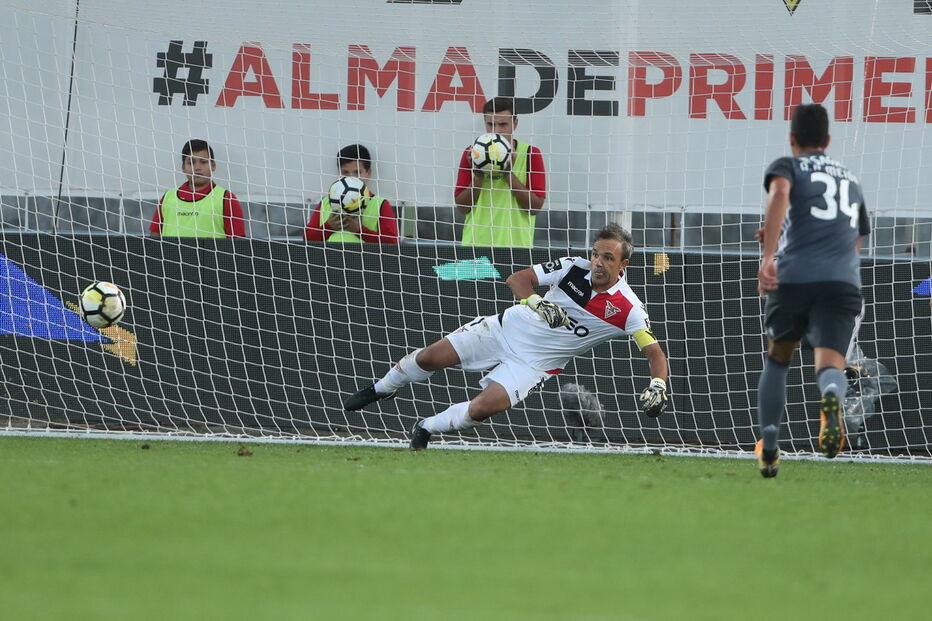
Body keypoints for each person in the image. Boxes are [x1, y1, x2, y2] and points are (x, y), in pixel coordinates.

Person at [343, 224, 670, 450]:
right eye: (596, 254)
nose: (597, 262)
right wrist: (536, 302)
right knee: (430, 357)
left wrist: (658, 384)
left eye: (608, 258)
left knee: (483, 409)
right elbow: (517, 279)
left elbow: (654, 352)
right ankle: (381, 389)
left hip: (533, 363)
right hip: (503, 330)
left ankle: (426, 427)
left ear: (623, 264)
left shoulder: (628, 308)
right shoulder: (572, 267)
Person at [755, 103, 870, 478]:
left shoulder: (787, 167)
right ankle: (833, 396)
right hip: (841, 282)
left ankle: (769, 447)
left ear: (792, 139)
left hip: (794, 278)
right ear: (828, 140)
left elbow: (781, 194)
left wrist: (769, 253)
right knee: (829, 366)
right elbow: (855, 241)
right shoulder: (849, 179)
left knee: (778, 357)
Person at [454, 97, 546, 248]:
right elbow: (462, 208)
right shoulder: (472, 153)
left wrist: (508, 173)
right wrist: (478, 176)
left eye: (503, 124)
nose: (496, 131)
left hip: (517, 247)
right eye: (490, 124)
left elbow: (534, 207)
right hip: (475, 245)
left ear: (515, 124)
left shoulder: (530, 153)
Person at [304, 144, 399, 243]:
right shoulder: (326, 202)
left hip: (365, 258)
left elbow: (392, 243)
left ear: (368, 173)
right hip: (331, 258)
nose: (351, 177)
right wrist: (328, 227)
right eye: (345, 172)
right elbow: (307, 238)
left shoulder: (380, 204)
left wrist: (359, 230)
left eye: (357, 172)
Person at [150, 139, 245, 238]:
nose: (197, 168)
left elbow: (237, 244)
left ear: (213, 166)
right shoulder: (168, 198)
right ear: (183, 167)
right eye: (191, 163)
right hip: (172, 254)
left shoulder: (226, 199)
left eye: (203, 162)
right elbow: (155, 237)